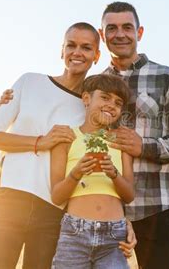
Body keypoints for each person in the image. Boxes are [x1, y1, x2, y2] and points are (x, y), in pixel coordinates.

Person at [0, 2, 169, 269]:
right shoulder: (93, 84)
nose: (120, 34)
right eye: (112, 28)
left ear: (139, 32)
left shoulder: (166, 76)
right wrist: (8, 102)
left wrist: (146, 147)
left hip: (154, 203)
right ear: (102, 35)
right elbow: (55, 108)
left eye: (127, 27)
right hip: (99, 213)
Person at [0, 22, 136, 269]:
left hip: (53, 212)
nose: (77, 52)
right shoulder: (28, 82)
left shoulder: (91, 105)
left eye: (86, 48)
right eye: (71, 45)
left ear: (96, 56)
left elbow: (107, 172)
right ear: (61, 50)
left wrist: (120, 222)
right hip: (7, 200)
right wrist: (41, 142)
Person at [50, 74, 134, 268]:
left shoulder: (121, 142)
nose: (112, 105)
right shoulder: (67, 138)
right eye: (105, 97)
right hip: (74, 234)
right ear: (86, 99)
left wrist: (114, 174)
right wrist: (76, 173)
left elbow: (129, 195)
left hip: (115, 237)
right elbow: (57, 196)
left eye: (118, 102)